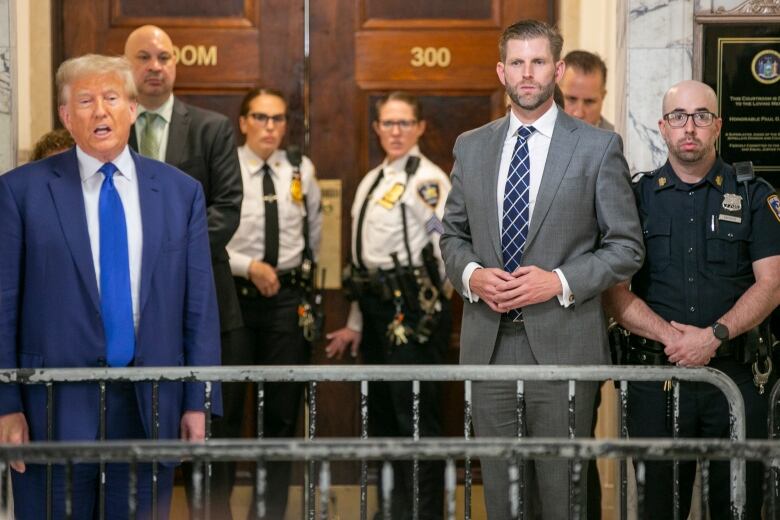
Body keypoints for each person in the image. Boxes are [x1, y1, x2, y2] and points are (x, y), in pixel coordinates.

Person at [0, 54, 220, 519]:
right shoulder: (20, 192)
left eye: (111, 98)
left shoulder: (182, 193)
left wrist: (198, 402)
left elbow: (198, 307)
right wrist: (5, 405)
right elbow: (3, 307)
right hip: (50, 412)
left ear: (133, 108)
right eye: (85, 100)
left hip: (148, 406)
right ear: (66, 116)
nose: (100, 111)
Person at [440, 20, 644, 519]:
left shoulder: (597, 148)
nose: (527, 74)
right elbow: (451, 237)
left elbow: (625, 247)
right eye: (517, 62)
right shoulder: (472, 145)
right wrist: (471, 276)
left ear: (556, 68)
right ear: (501, 70)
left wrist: (559, 281)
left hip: (565, 343)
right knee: (504, 499)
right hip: (489, 345)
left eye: (537, 62)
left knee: (564, 498)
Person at [603, 80, 780, 519]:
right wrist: (674, 339)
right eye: (678, 117)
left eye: (701, 116)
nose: (690, 127)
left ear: (716, 125)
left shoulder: (755, 195)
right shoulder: (636, 197)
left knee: (736, 506)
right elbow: (612, 290)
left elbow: (772, 283)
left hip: (737, 377)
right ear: (662, 127)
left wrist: (714, 336)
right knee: (658, 508)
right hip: (656, 383)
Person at [123, 25, 243, 513]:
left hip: (204, 299)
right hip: (127, 306)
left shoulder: (211, 127)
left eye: (164, 57)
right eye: (144, 57)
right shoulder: (111, 126)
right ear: (126, 66)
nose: (155, 66)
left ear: (176, 64)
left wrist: (163, 258)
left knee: (207, 434)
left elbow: (227, 208)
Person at [326, 91, 452, 520]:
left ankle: (424, 512)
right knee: (383, 417)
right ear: (377, 129)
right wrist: (356, 321)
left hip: (413, 312)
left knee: (415, 416)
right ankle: (392, 509)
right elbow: (366, 263)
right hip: (376, 311)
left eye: (404, 123)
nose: (395, 132)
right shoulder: (372, 179)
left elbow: (444, 243)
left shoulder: (426, 181)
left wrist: (436, 306)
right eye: (387, 123)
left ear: (419, 128)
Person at [221, 87, 322, 519]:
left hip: (286, 301)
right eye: (260, 117)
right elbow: (204, 237)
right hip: (234, 302)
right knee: (223, 415)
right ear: (243, 122)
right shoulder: (225, 167)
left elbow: (314, 233)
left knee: (279, 417)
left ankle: (269, 513)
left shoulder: (300, 168)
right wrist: (248, 267)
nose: (270, 127)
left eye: (278, 119)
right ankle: (214, 511)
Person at [560, 50, 613, 130]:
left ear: (603, 97)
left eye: (589, 102)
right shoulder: (537, 136)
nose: (579, 114)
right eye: (571, 99)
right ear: (555, 93)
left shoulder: (622, 141)